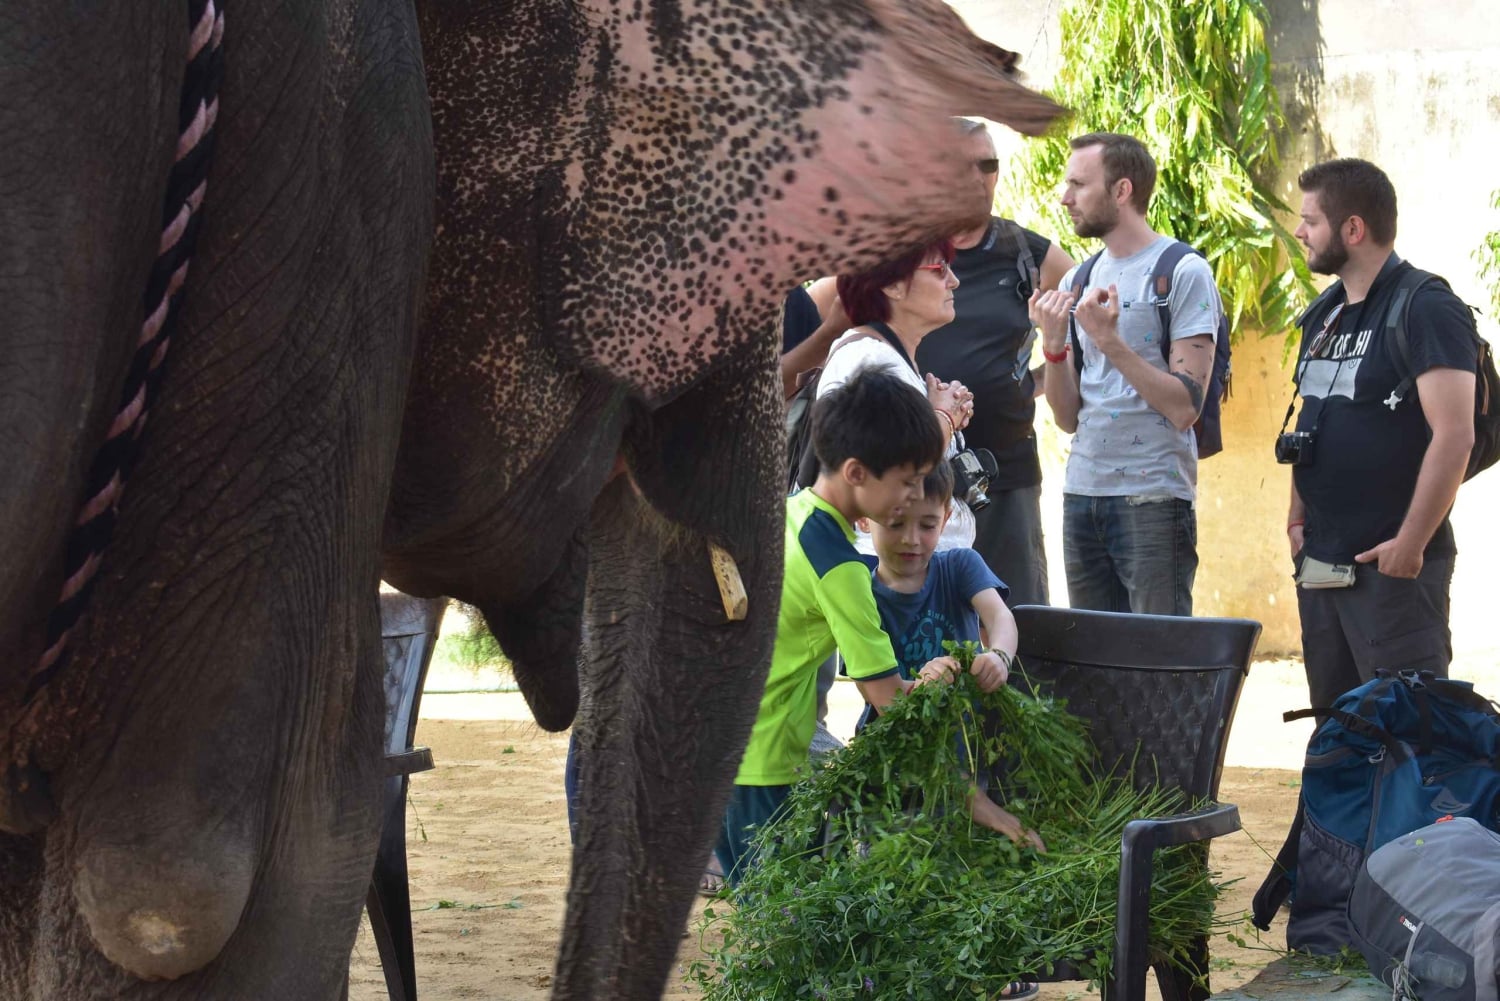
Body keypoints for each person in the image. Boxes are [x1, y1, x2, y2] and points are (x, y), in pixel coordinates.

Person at [715, 367, 945, 886]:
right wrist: (942, 677)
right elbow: (889, 699)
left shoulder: (790, 512)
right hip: (765, 766)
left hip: (721, 750)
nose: (914, 496)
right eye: (907, 481)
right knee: (782, 921)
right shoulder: (841, 568)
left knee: (760, 912)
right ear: (857, 472)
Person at [1284, 158, 1476, 708]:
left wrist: (1410, 546)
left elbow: (1455, 435)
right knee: (1337, 727)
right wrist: (1296, 520)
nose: (1299, 232)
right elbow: (1310, 421)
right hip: (1320, 563)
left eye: (1310, 220)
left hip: (1391, 571)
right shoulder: (1324, 315)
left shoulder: (1426, 307)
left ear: (1353, 229)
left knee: (1409, 731)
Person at [1030, 132, 1223, 616]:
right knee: (1094, 653)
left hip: (1153, 497)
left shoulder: (1183, 271)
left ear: (1121, 191)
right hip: (1082, 494)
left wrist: (1109, 340)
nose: (1065, 197)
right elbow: (1067, 418)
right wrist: (1053, 345)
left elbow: (1184, 407)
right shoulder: (1078, 278)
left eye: (1078, 184)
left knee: (1159, 653)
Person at [914, 118, 1075, 605]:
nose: (979, 177)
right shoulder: (902, 252)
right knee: (927, 627)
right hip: (916, 477)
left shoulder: (1030, 253)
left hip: (1005, 477)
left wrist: (1031, 381)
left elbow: (1090, 332)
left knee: (1018, 622)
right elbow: (835, 312)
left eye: (988, 165)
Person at [858, 460, 1044, 852]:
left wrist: (999, 656)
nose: (912, 539)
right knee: (899, 857)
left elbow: (1000, 618)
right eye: (895, 523)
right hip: (896, 767)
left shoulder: (959, 565)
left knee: (967, 852)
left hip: (969, 746)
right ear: (864, 518)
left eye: (927, 525)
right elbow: (877, 695)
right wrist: (919, 688)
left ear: (945, 518)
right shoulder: (857, 591)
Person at [818, 239, 979, 551]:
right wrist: (944, 418)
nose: (954, 281)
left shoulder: (888, 355)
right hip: (883, 566)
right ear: (892, 285)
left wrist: (940, 412)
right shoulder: (868, 359)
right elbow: (887, 471)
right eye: (940, 269)